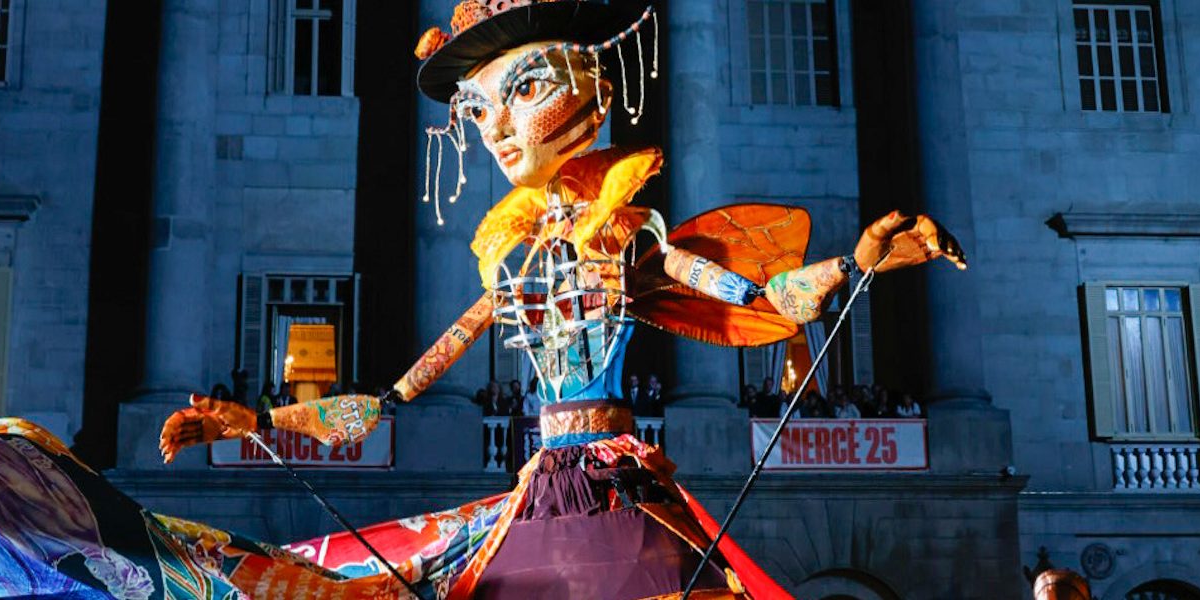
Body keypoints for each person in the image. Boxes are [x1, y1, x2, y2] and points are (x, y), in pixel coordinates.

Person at [158, 2, 964, 596]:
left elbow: (758, 298)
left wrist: (855, 266)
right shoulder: (509, 263)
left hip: (618, 488)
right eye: (477, 110)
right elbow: (392, 396)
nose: (498, 129)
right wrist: (259, 423)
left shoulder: (628, 236)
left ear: (595, 90)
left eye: (525, 90)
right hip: (539, 486)